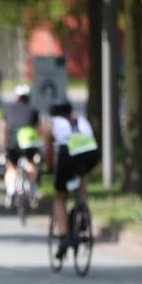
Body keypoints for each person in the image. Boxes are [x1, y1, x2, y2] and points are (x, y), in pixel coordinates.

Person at [44, 100, 100, 259]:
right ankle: (83, 214)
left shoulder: (52, 123)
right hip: (91, 152)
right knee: (81, 177)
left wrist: (50, 168)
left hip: (68, 151)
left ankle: (63, 237)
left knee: (60, 196)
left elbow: (48, 151)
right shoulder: (81, 120)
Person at [0, 83, 42, 208]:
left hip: (12, 143)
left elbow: (3, 129)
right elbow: (39, 130)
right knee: (31, 164)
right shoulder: (34, 110)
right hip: (29, 143)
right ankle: (32, 191)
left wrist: (3, 147)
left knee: (11, 168)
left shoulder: (8, 110)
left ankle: (10, 191)